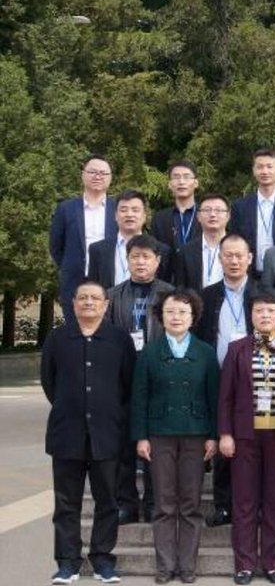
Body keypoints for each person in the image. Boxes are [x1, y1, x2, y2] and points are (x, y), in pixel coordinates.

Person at [42, 281, 137, 584]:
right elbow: (49, 382)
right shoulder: (58, 338)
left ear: (106, 305)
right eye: (82, 298)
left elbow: (128, 384)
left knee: (107, 500)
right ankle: (67, 562)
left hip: (107, 433)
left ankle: (102, 559)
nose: (88, 302)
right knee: (66, 503)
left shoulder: (119, 339)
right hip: (67, 433)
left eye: (95, 298)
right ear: (73, 304)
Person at [129, 289, 219, 584]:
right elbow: (139, 397)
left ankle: (188, 565)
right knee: (164, 503)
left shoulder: (206, 352)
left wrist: (214, 435)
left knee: (190, 503)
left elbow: (214, 398)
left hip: (196, 434)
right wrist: (141, 436)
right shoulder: (149, 352)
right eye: (170, 311)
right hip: (160, 434)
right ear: (161, 316)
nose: (176, 317)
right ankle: (165, 565)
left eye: (182, 312)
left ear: (193, 317)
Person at [217, 292, 275, 585]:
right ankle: (244, 564)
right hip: (245, 435)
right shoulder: (237, 349)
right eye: (259, 311)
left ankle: (273, 563)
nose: (265, 315)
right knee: (244, 501)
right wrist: (225, 433)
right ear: (251, 316)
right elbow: (226, 396)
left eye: (270, 310)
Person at [105, 235, 174, 524]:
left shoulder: (170, 294)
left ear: (158, 261)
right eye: (135, 257)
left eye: (147, 257)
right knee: (123, 444)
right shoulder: (112, 296)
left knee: (156, 444)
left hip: (158, 376)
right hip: (122, 378)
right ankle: (126, 503)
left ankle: (154, 502)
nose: (141, 262)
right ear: (127, 260)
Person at [195, 234, 258, 528]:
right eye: (228, 255)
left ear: (250, 258)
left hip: (256, 378)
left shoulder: (262, 294)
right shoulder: (206, 296)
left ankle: (252, 505)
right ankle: (223, 505)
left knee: (252, 444)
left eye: (239, 255)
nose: (234, 261)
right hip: (218, 376)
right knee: (223, 440)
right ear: (219, 259)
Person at [49, 155, 117, 317]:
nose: (98, 176)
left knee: (109, 328)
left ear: (110, 178)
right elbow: (55, 246)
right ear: (83, 175)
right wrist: (70, 266)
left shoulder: (118, 209)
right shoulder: (66, 208)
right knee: (75, 328)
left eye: (103, 173)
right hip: (74, 282)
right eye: (92, 172)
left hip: (110, 282)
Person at [88, 190, 171, 290]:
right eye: (123, 210)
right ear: (115, 215)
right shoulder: (98, 249)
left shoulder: (162, 250)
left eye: (135, 210)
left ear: (144, 216)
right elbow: (93, 288)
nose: (129, 214)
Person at [229, 148, 275, 276]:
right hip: (250, 275)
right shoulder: (240, 206)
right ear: (254, 171)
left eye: (269, 166)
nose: (265, 171)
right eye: (260, 167)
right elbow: (235, 241)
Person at [174, 193, 230, 291]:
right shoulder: (186, 251)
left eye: (218, 210)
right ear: (198, 216)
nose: (212, 214)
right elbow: (180, 287)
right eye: (207, 210)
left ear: (228, 216)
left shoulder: (240, 248)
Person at [149, 160, 200, 251]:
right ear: (170, 184)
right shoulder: (159, 218)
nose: (181, 182)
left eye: (186, 177)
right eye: (176, 177)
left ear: (196, 183)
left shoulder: (207, 214)